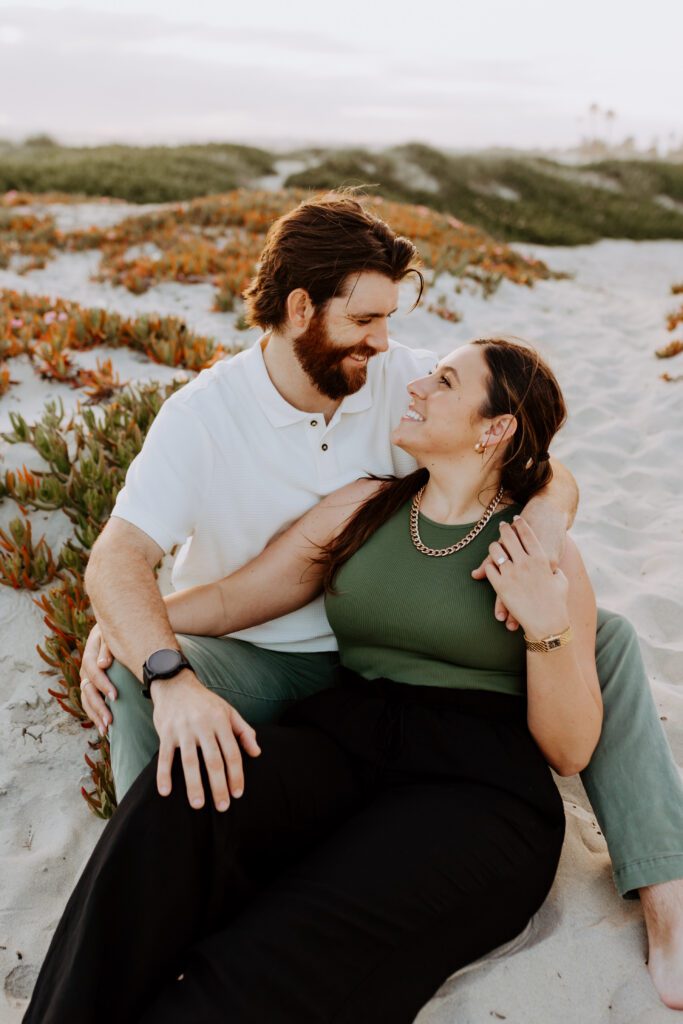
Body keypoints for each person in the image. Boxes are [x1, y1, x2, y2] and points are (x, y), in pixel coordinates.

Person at [75, 192, 683, 1006]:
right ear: (301, 308)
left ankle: (666, 894)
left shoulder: (393, 377)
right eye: (366, 318)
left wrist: (539, 538)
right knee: (136, 668)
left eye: (392, 322)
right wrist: (138, 635)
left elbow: (534, 451)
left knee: (594, 632)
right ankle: (164, 878)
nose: (387, 344)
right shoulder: (205, 417)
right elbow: (146, 565)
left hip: (383, 672)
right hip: (267, 662)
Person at [25, 337, 600, 1023]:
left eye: (444, 382)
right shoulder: (367, 503)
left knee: (287, 941)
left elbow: (568, 750)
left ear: (495, 428)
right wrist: (129, 625)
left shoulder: (543, 550)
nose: (417, 386)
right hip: (347, 735)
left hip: (477, 784)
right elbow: (238, 598)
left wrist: (544, 622)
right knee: (176, 803)